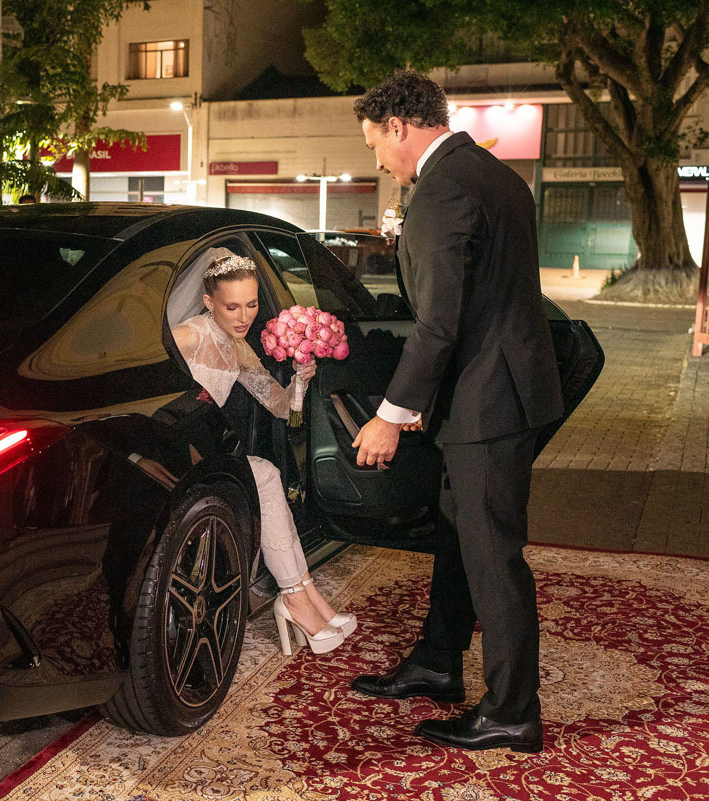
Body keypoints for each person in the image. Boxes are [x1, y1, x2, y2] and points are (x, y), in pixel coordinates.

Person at [348, 70, 564, 753]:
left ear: (399, 127)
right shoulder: (493, 175)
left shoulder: (442, 189)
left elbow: (439, 323)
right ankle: (440, 659)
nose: (375, 159)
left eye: (374, 143)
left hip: (486, 402)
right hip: (498, 390)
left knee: (493, 556)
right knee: (457, 535)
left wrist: (390, 413)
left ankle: (512, 710)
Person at [173, 250, 358, 656]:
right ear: (208, 302)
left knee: (267, 474)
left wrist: (301, 378)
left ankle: (306, 598)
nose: (244, 317)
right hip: (179, 452)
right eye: (232, 306)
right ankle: (296, 599)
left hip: (210, 452)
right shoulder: (188, 336)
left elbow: (277, 404)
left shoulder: (237, 347)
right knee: (265, 475)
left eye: (252, 304)